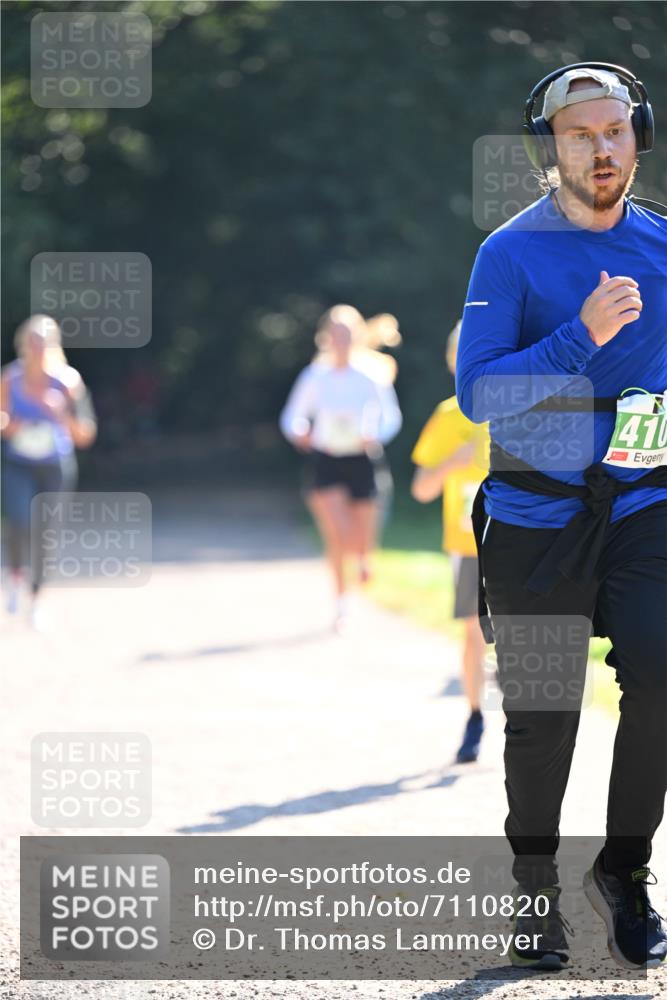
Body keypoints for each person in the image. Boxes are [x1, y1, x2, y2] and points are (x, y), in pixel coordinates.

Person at [456, 64, 667, 971]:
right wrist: (582, 332)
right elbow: (478, 394)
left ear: (637, 135)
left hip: (644, 510)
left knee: (662, 679)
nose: (602, 147)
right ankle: (534, 886)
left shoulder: (663, 244)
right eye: (580, 134)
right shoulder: (508, 252)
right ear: (551, 148)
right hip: (535, 518)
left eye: (614, 130)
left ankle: (623, 871)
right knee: (543, 715)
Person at [280, 304, 402, 631]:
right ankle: (341, 604)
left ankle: (362, 563)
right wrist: (300, 432)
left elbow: (391, 417)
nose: (341, 340)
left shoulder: (371, 376)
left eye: (346, 334)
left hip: (362, 459)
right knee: (338, 533)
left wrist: (373, 436)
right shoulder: (314, 376)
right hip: (326, 459)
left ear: (356, 336)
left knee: (361, 542)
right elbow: (292, 416)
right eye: (335, 334)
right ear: (326, 337)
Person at [411, 321, 490, 763]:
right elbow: (421, 489)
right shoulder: (447, 416)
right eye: (461, 353)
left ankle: (527, 721)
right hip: (466, 544)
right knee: (472, 633)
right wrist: (452, 463)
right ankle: (476, 716)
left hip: (520, 539)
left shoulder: (515, 408)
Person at [1, 314, 97, 627]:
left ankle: (36, 598)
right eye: (32, 343)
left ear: (53, 346)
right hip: (18, 463)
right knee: (18, 522)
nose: (38, 350)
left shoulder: (69, 382)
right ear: (23, 345)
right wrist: (12, 425)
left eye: (43, 344)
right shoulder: (9, 379)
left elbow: (86, 434)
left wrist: (60, 412)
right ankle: (14, 578)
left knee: (45, 533)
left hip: (54, 466)